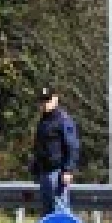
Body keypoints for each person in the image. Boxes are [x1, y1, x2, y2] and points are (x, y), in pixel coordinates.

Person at [31, 86, 80, 215]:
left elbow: (72, 146)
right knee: (47, 212)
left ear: (55, 99)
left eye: (48, 100)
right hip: (44, 172)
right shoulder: (43, 120)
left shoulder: (63, 119)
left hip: (57, 172)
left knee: (61, 210)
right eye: (42, 101)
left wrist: (68, 170)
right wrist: (36, 168)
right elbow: (39, 146)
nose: (45, 104)